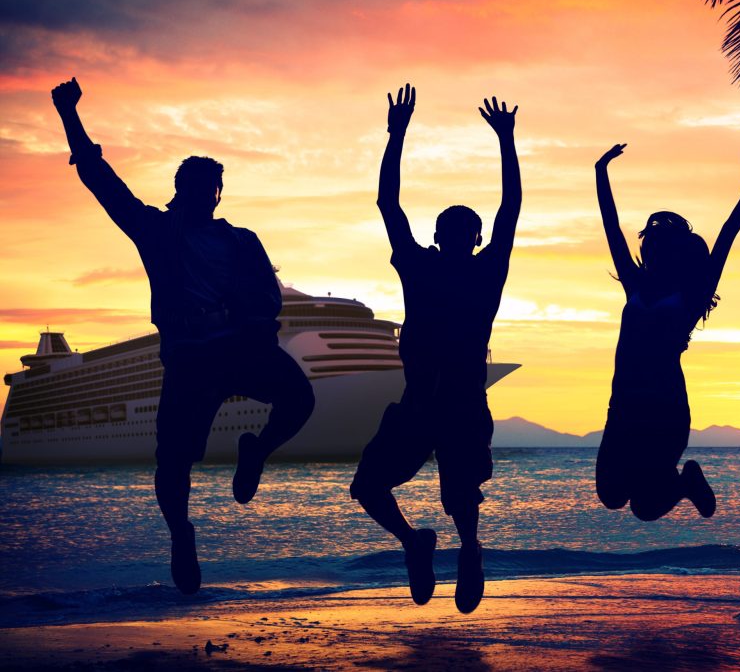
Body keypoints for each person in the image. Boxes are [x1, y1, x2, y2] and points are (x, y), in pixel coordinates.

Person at [51, 77, 316, 595]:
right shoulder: (156, 230)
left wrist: (260, 327)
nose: (205, 196)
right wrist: (69, 115)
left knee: (301, 398)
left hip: (242, 347)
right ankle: (181, 532)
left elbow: (268, 293)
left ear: (219, 193)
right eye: (195, 187)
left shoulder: (242, 239)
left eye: (211, 188)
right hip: (192, 357)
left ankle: (255, 451)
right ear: (181, 190)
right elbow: (99, 178)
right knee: (171, 460)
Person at [350, 84, 521, 614]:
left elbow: (510, 208)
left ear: (472, 238)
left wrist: (507, 142)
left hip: (464, 404)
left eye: (464, 229)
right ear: (438, 234)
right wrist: (395, 135)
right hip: (420, 402)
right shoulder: (419, 265)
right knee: (368, 487)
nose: (457, 234)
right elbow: (387, 203)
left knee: (461, 498)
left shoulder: (487, 270)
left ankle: (470, 551)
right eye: (450, 227)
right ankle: (414, 542)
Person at [594, 143, 740, 523]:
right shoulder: (635, 285)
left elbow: (727, 237)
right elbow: (611, 229)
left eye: (661, 249)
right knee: (611, 495)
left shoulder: (691, 297)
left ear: (677, 256)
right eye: (652, 248)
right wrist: (601, 171)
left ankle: (686, 482)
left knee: (645, 508)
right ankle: (682, 484)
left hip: (665, 408)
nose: (652, 254)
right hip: (624, 405)